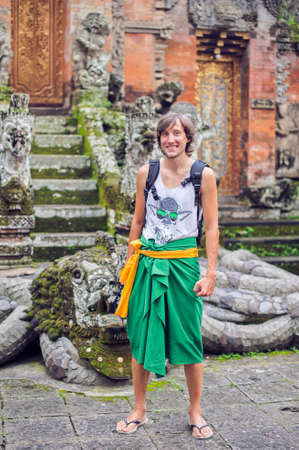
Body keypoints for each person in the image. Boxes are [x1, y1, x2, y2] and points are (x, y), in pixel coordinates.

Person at [115, 112, 219, 440]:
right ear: (159, 138)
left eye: (177, 134)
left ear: (188, 138)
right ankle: (139, 409)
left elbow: (213, 227)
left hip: (184, 265)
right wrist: (130, 265)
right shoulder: (148, 172)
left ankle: (195, 410)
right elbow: (137, 222)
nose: (170, 140)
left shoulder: (204, 175)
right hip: (148, 263)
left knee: (189, 338)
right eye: (165, 134)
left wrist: (211, 273)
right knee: (142, 337)